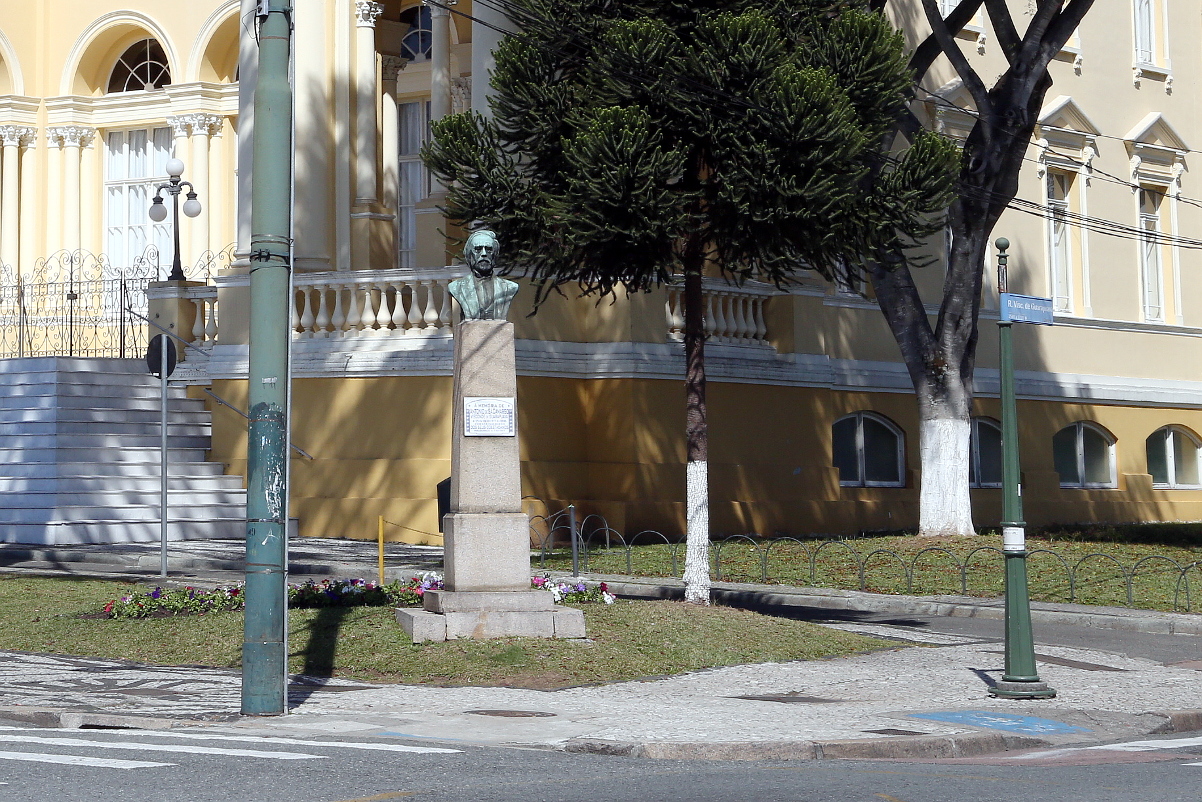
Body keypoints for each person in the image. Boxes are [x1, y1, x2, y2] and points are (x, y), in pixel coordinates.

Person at [447, 229, 518, 321]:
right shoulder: (456, 287)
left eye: (489, 249)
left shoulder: (510, 287)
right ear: (469, 255)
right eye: (478, 249)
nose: (484, 254)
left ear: (495, 254)